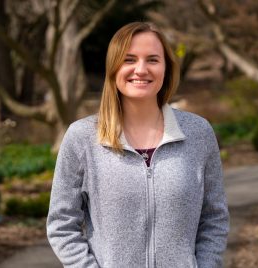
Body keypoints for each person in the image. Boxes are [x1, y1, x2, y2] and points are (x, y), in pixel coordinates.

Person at [47, 21, 229, 268]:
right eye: (129, 59)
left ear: (166, 68)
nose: (141, 69)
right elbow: (61, 224)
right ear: (114, 67)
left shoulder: (198, 133)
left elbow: (214, 218)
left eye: (153, 60)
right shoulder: (82, 138)